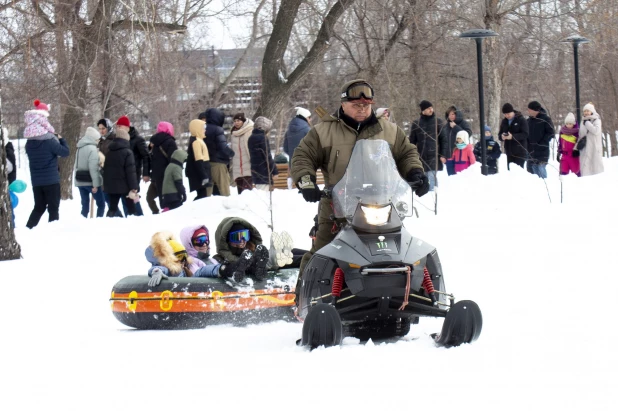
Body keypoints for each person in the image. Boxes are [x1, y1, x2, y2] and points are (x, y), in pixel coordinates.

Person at [291, 79, 428, 301]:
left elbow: (407, 153)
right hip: (337, 206)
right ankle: (304, 300)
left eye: (366, 105)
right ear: (343, 104)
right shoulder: (324, 131)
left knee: (402, 247)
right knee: (321, 252)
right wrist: (306, 182)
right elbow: (302, 157)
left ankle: (411, 293)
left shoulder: (388, 130)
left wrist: (415, 173)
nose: (362, 109)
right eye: (356, 105)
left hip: (384, 203)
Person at [24, 99, 70, 229]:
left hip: (37, 181)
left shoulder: (29, 142)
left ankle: (28, 229)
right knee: (53, 208)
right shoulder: (49, 140)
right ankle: (53, 232)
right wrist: (61, 139)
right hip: (51, 180)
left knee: (39, 207)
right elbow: (65, 152)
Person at [145, 232, 229, 287]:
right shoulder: (170, 270)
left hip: (191, 292)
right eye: (179, 257)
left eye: (184, 256)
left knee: (200, 272)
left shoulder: (188, 267)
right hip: (176, 296)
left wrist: (221, 269)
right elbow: (161, 269)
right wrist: (157, 271)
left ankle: (225, 269)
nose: (183, 260)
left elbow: (202, 271)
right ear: (170, 259)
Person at [213, 217, 270, 282]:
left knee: (259, 260)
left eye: (245, 236)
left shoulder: (255, 253)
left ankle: (264, 265)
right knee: (229, 267)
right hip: (231, 288)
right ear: (227, 240)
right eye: (236, 237)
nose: (242, 241)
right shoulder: (217, 259)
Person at [409, 100, 448, 191]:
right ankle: (425, 196)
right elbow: (412, 141)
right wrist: (410, 155)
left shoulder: (438, 122)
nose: (431, 110)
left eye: (431, 108)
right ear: (423, 111)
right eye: (428, 108)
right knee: (423, 178)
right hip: (421, 156)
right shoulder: (416, 123)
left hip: (434, 155)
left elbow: (444, 140)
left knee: (431, 177)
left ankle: (433, 195)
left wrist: (443, 154)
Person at [116, 115, 150, 216]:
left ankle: (139, 217)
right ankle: (129, 218)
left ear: (127, 127)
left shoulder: (138, 139)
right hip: (122, 174)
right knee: (125, 198)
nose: (118, 129)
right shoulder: (118, 139)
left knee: (132, 196)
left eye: (120, 126)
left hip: (134, 173)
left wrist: (146, 173)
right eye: (117, 127)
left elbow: (146, 156)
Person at [102, 129, 138, 217]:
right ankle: (134, 224)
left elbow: (106, 170)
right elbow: (131, 172)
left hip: (112, 185)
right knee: (131, 208)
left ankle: (107, 222)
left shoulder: (109, 152)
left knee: (112, 208)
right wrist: (134, 187)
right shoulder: (128, 152)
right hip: (125, 185)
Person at [74, 126, 106, 218]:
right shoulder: (92, 149)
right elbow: (93, 168)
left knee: (85, 206)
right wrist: (95, 184)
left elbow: (76, 165)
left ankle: (83, 223)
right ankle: (97, 222)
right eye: (97, 139)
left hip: (80, 181)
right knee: (101, 204)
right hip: (90, 182)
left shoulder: (79, 148)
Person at [203, 108, 234, 196]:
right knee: (224, 190)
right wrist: (231, 153)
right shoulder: (218, 129)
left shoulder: (203, 128)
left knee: (208, 192)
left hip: (206, 163)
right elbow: (222, 146)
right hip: (219, 163)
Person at [149, 121, 178, 210]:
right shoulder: (170, 142)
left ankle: (164, 210)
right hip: (168, 172)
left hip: (157, 174)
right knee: (171, 196)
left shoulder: (153, 142)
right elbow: (173, 159)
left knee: (162, 196)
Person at [248, 116, 279, 191]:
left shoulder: (251, 138)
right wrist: (274, 171)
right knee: (264, 195)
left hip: (255, 171)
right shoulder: (262, 138)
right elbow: (267, 156)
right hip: (264, 172)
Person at [526, 101, 555, 179]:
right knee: (534, 172)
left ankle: (546, 186)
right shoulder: (528, 121)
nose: (528, 111)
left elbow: (551, 133)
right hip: (531, 151)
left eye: (529, 109)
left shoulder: (545, 119)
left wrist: (542, 143)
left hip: (542, 150)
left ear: (534, 110)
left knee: (541, 170)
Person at [186, 119, 212, 199]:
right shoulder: (196, 142)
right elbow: (198, 160)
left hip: (202, 172)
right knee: (202, 196)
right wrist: (204, 176)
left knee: (203, 195)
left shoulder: (199, 140)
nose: (204, 130)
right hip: (199, 175)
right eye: (203, 128)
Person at [577, 103, 604, 177]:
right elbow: (580, 136)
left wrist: (588, 123)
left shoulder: (596, 120)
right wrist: (576, 148)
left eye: (587, 111)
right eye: (584, 111)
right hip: (585, 148)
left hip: (594, 147)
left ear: (591, 111)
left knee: (596, 168)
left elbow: (596, 131)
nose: (586, 112)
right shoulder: (583, 122)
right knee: (585, 168)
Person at [230, 113, 255, 194]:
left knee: (247, 192)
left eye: (238, 120)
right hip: (237, 167)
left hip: (248, 165)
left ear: (243, 121)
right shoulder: (233, 133)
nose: (236, 122)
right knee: (240, 192)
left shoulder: (250, 130)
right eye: (235, 121)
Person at [499, 103, 528, 171]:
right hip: (509, 151)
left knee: (518, 172)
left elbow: (525, 134)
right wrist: (502, 136)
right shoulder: (504, 122)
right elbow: (500, 134)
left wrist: (512, 137)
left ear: (512, 112)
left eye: (508, 113)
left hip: (520, 151)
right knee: (511, 172)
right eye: (505, 114)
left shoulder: (521, 120)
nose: (507, 116)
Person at [444, 106, 473, 174]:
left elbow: (468, 134)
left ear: (457, 114)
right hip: (449, 155)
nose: (451, 116)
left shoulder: (463, 123)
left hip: (461, 155)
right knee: (451, 178)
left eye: (453, 114)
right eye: (449, 114)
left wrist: (455, 127)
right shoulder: (446, 126)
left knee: (461, 178)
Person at [556, 113, 580, 178]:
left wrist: (577, 150)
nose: (568, 125)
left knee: (578, 173)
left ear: (574, 124)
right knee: (562, 174)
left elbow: (579, 142)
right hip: (564, 156)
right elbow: (560, 143)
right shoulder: (562, 131)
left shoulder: (577, 132)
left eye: (570, 124)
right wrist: (559, 152)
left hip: (573, 156)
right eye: (567, 124)